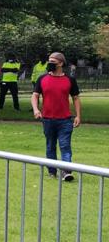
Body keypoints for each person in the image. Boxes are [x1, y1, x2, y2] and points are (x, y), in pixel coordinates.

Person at [31, 52, 81, 181]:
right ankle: (52, 171)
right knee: (50, 146)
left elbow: (75, 98)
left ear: (61, 63)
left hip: (65, 120)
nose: (50, 63)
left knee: (65, 146)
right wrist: (36, 109)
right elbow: (35, 95)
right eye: (49, 61)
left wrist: (78, 116)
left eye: (53, 61)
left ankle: (66, 172)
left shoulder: (70, 80)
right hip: (47, 119)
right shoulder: (42, 79)